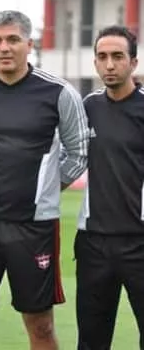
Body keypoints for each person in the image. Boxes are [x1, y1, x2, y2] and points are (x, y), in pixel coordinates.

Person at [0, 10, 89, 350]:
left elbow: (79, 151)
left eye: (12, 39)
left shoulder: (58, 93)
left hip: (34, 226)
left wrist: (48, 188)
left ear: (29, 44)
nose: (4, 47)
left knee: (40, 325)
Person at [76, 25, 144, 350]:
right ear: (95, 63)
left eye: (118, 56)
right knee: (91, 341)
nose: (110, 64)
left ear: (133, 62)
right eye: (102, 57)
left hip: (140, 242)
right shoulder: (86, 107)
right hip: (94, 244)